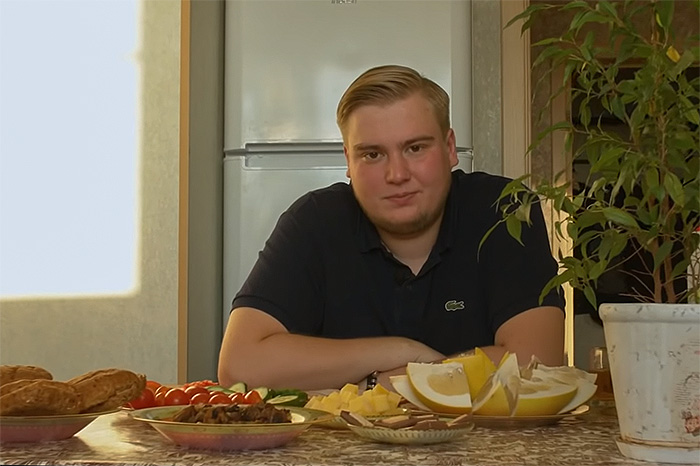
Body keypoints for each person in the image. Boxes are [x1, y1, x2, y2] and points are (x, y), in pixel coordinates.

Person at [218, 65, 565, 391]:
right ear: (348, 161)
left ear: (449, 149)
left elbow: (537, 363)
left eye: (415, 148)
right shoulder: (313, 221)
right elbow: (239, 366)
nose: (397, 175)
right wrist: (401, 351)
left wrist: (383, 384)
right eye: (372, 154)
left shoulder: (505, 208)